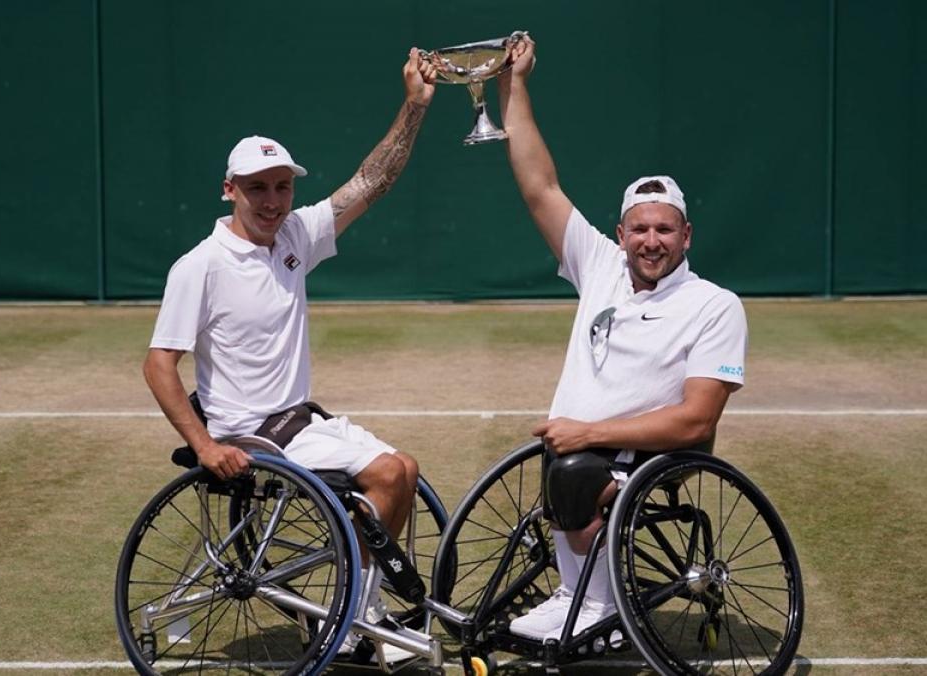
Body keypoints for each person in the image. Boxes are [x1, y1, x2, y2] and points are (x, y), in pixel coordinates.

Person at [143, 49, 437, 661]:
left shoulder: (296, 234)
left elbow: (372, 181)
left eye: (282, 187)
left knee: (403, 469)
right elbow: (158, 364)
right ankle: (354, 621)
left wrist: (414, 106)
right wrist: (205, 446)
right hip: (250, 435)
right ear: (229, 189)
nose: (273, 201)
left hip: (298, 418)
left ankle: (357, 605)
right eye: (258, 189)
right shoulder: (199, 267)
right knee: (386, 474)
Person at [497, 36, 748, 641]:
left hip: (652, 456)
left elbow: (694, 424)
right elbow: (540, 186)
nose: (651, 241)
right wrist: (515, 84)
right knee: (569, 467)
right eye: (639, 229)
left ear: (686, 235)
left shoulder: (715, 305)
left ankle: (594, 606)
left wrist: (589, 432)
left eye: (665, 229)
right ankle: (577, 592)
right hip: (577, 447)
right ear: (621, 233)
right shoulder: (601, 265)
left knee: (575, 471)